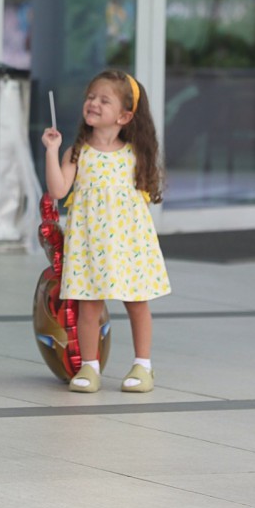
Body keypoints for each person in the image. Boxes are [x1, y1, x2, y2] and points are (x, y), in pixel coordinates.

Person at [41, 70, 171, 393]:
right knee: (89, 306)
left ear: (125, 116)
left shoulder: (134, 155)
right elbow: (58, 190)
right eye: (90, 97)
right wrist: (51, 151)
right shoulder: (77, 152)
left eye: (104, 100)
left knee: (137, 304)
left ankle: (143, 366)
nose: (93, 103)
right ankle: (89, 365)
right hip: (89, 244)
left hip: (128, 244)